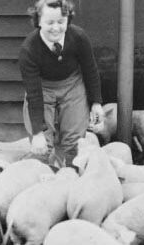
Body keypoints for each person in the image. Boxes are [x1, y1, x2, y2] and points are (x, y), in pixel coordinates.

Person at [20, 0, 105, 167]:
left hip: (72, 85)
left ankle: (71, 176)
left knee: (74, 141)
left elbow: (90, 70)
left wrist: (96, 103)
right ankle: (42, 179)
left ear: (68, 20)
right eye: (49, 22)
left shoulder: (78, 37)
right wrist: (37, 133)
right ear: (38, 21)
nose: (56, 28)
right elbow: (34, 94)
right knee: (42, 145)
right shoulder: (29, 49)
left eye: (61, 22)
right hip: (42, 88)